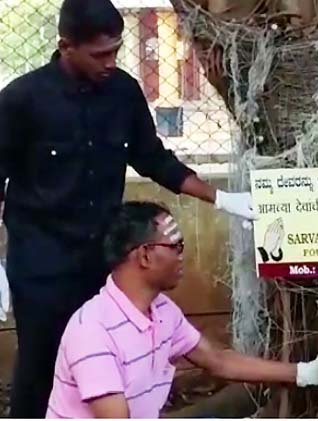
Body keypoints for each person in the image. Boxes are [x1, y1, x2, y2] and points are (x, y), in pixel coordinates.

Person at [0, 0, 261, 417]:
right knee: (40, 366)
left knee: (108, 366)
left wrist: (222, 199)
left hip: (103, 260)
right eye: (100, 54)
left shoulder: (122, 92)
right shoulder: (21, 100)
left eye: (116, 50)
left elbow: (152, 158)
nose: (111, 62)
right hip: (42, 262)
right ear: (66, 46)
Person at [45, 201, 318, 418]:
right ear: (145, 255)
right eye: (177, 246)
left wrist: (302, 373)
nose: (182, 257)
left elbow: (218, 360)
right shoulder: (92, 332)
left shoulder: (161, 310)